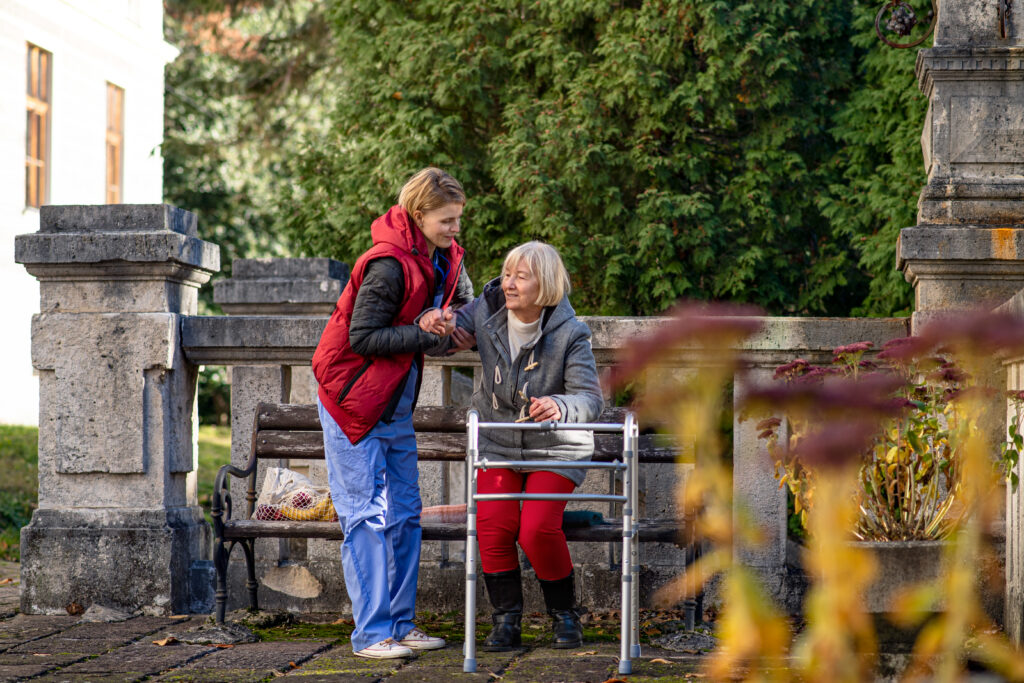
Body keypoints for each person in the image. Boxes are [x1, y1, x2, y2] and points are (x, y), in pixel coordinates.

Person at [311, 167, 474, 659]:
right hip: (353, 403)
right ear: (419, 214)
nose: (454, 228)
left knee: (405, 516)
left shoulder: (442, 257)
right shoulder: (386, 264)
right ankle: (371, 634)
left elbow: (461, 307)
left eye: (458, 219)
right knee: (366, 517)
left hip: (395, 404)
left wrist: (448, 323)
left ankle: (401, 625)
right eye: (447, 220)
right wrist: (427, 332)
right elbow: (363, 337)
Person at [423, 241, 603, 651]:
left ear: (546, 284)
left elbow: (590, 398)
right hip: (499, 442)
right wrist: (434, 322)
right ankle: (506, 621)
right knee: (493, 523)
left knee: (537, 528)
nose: (509, 283)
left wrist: (559, 404)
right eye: (507, 274)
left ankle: (565, 616)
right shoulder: (487, 310)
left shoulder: (572, 332)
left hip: (555, 448)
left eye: (521, 276)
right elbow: (442, 341)